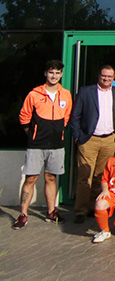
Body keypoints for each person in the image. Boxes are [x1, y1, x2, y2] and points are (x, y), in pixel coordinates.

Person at [14, 60, 73, 229]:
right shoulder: (34, 94)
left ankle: (51, 212)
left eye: (57, 73)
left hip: (56, 144)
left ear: (61, 74)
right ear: (45, 74)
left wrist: (59, 131)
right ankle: (23, 214)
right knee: (31, 178)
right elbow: (24, 116)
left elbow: (67, 116)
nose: (54, 76)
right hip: (36, 144)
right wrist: (32, 133)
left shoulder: (66, 94)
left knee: (51, 178)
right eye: (51, 72)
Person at [70, 65, 115, 224]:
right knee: (84, 177)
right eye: (103, 76)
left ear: (114, 77)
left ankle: (94, 208)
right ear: (98, 76)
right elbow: (75, 116)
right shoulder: (86, 92)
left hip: (110, 139)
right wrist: (78, 136)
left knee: (101, 177)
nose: (106, 79)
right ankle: (80, 211)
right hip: (89, 139)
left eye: (109, 76)